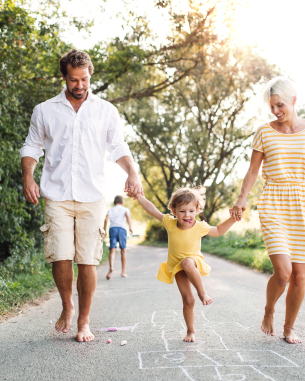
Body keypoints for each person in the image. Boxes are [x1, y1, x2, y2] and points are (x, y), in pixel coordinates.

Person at [20, 49, 143, 342]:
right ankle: (68, 306)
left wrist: (132, 173)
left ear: (90, 76)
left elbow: (118, 148)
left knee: (87, 260)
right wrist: (28, 175)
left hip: (92, 195)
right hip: (57, 194)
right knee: (60, 255)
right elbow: (32, 146)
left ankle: (84, 322)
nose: (79, 85)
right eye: (73, 80)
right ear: (64, 77)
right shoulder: (45, 110)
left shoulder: (106, 111)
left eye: (84, 79)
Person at [230, 76, 305, 344]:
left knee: (300, 276)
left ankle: (289, 327)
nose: (276, 111)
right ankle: (269, 309)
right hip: (273, 201)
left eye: (280, 105)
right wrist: (241, 198)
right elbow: (252, 171)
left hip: (303, 203)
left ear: (294, 100)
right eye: (272, 107)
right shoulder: (264, 132)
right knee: (283, 272)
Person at [135, 187, 236, 342]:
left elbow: (218, 230)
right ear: (174, 210)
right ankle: (190, 331)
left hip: (193, 261)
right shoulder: (170, 222)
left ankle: (202, 293)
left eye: (191, 211)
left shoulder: (199, 226)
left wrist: (233, 219)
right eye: (182, 211)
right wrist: (139, 197)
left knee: (187, 262)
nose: (187, 215)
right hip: (177, 267)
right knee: (188, 300)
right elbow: (152, 209)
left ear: (196, 210)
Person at [104, 195, 133, 279]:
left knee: (112, 249)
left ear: (114, 202)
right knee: (123, 250)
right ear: (122, 202)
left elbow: (106, 219)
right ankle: (123, 272)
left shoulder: (111, 209)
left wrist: (105, 230)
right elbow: (128, 217)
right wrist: (130, 227)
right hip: (122, 229)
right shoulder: (125, 209)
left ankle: (111, 268)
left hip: (112, 229)